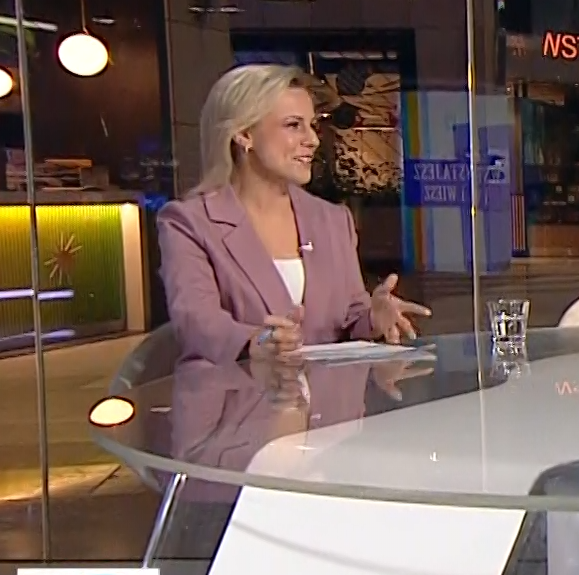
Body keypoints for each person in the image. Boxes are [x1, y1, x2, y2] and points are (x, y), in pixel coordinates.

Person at [157, 64, 429, 364]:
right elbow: (196, 322)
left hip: (329, 393)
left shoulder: (333, 221)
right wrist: (256, 341)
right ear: (244, 134)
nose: (312, 139)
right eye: (293, 125)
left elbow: (351, 319)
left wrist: (374, 319)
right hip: (239, 390)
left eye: (312, 125)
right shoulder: (189, 223)